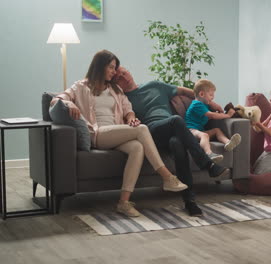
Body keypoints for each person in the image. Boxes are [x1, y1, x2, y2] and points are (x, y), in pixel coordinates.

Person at [50, 50, 188, 217]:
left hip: (115, 133)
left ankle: (123, 202)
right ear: (100, 66)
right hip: (97, 133)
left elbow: (128, 110)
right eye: (111, 67)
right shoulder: (80, 87)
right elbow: (56, 99)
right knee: (142, 129)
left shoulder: (116, 90)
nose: (114, 72)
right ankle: (166, 176)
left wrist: (131, 119)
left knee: (137, 147)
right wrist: (67, 103)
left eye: (115, 68)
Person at [113, 67, 231, 217]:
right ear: (117, 84)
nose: (124, 77)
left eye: (124, 73)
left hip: (172, 130)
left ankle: (190, 202)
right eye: (118, 78)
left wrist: (211, 104)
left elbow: (184, 91)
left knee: (177, 143)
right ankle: (207, 164)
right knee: (176, 120)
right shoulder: (124, 99)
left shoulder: (154, 85)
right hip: (151, 132)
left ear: (129, 71)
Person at [185, 79, 242, 163]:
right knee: (204, 135)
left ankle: (228, 143)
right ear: (201, 94)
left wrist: (221, 111)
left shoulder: (204, 105)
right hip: (190, 131)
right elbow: (212, 115)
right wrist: (228, 115)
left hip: (199, 132)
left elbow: (212, 115)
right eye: (211, 95)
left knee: (216, 130)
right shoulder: (197, 104)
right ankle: (209, 153)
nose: (213, 97)